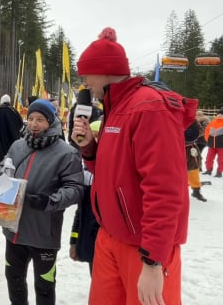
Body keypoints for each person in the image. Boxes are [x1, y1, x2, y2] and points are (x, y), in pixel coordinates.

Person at [71, 27, 197, 304]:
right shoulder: (116, 109)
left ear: (103, 70)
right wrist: (90, 148)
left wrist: (153, 262)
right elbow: (114, 175)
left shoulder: (149, 108)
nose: (85, 82)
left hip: (143, 248)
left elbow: (165, 189)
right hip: (110, 237)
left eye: (86, 74)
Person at [0, 99, 84, 305]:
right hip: (14, 231)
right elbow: (5, 168)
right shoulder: (18, 146)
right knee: (14, 280)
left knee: (45, 286)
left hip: (44, 232)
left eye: (40, 119)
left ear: (51, 121)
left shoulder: (66, 153)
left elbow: (75, 189)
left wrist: (49, 201)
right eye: (30, 118)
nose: (33, 124)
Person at [69, 120, 101, 275]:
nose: (95, 141)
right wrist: (74, 241)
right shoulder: (85, 176)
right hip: (90, 243)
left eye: (98, 136)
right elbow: (80, 213)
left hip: (109, 244)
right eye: (92, 136)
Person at [185, 120, 207, 201]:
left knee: (193, 169)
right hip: (174, 147)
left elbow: (201, 131)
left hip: (190, 148)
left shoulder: (192, 120)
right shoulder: (170, 117)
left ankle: (196, 191)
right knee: (174, 171)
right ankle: (174, 192)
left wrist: (194, 133)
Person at [203, 109, 223, 177]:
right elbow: (207, 131)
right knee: (209, 158)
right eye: (219, 114)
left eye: (221, 114)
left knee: (221, 160)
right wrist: (207, 138)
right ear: (216, 115)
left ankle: (219, 172)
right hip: (211, 145)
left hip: (221, 146)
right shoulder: (212, 122)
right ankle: (209, 170)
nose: (220, 115)